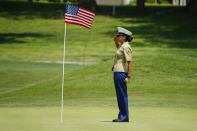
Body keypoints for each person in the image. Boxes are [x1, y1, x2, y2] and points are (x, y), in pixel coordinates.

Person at [112, 27, 133, 122]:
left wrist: (128, 76)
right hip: (117, 72)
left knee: (122, 95)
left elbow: (130, 62)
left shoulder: (126, 47)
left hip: (121, 73)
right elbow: (118, 51)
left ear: (124, 37)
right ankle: (121, 116)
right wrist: (115, 41)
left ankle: (124, 117)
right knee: (119, 95)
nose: (117, 36)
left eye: (119, 35)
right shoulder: (122, 46)